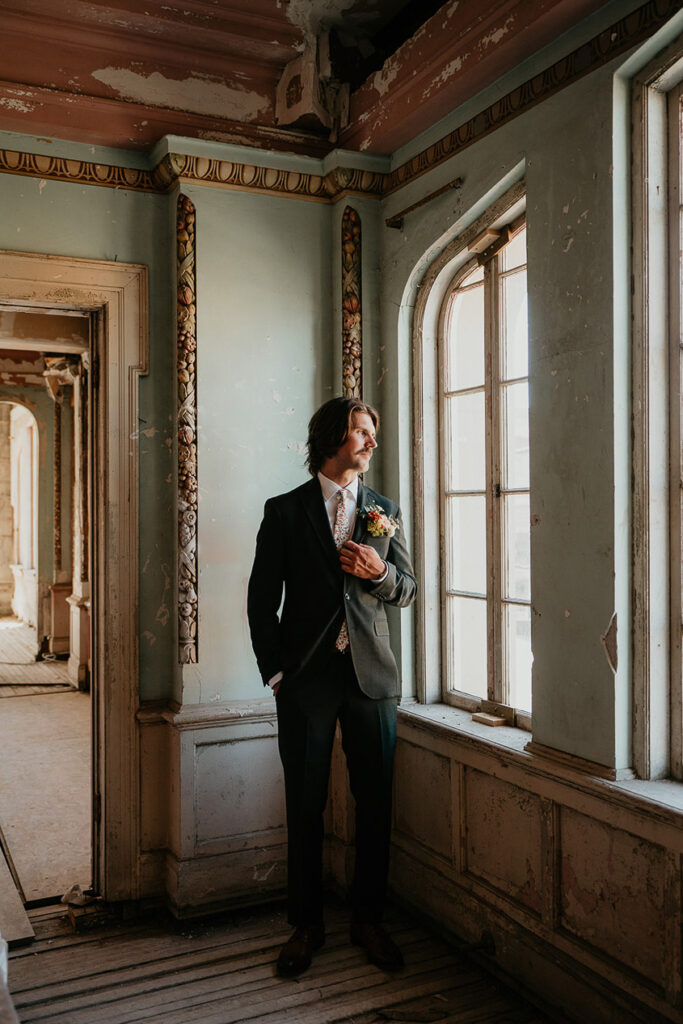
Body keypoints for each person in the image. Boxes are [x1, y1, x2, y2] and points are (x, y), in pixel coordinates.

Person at [247, 396, 417, 977]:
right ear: (331, 440)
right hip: (306, 683)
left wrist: (382, 572)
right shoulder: (285, 511)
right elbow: (260, 599)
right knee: (305, 804)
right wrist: (276, 673)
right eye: (361, 432)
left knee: (375, 805)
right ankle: (306, 925)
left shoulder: (383, 510)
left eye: (373, 432)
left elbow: (409, 590)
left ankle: (369, 921)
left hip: (372, 682)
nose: (371, 442)